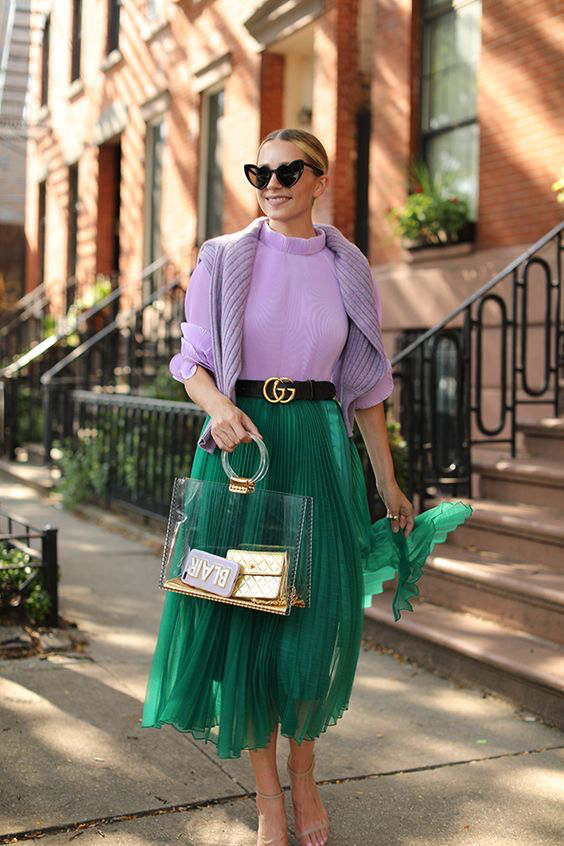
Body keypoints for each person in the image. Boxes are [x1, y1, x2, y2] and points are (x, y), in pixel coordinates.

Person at [142, 128, 472, 846]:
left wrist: (387, 481)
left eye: (289, 171)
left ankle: (305, 772)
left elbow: (367, 386)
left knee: (312, 620)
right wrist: (218, 407)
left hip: (320, 447)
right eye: (260, 171)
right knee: (249, 614)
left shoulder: (347, 266)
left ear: (320, 180)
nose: (272, 183)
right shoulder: (222, 257)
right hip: (246, 454)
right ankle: (268, 797)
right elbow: (193, 360)